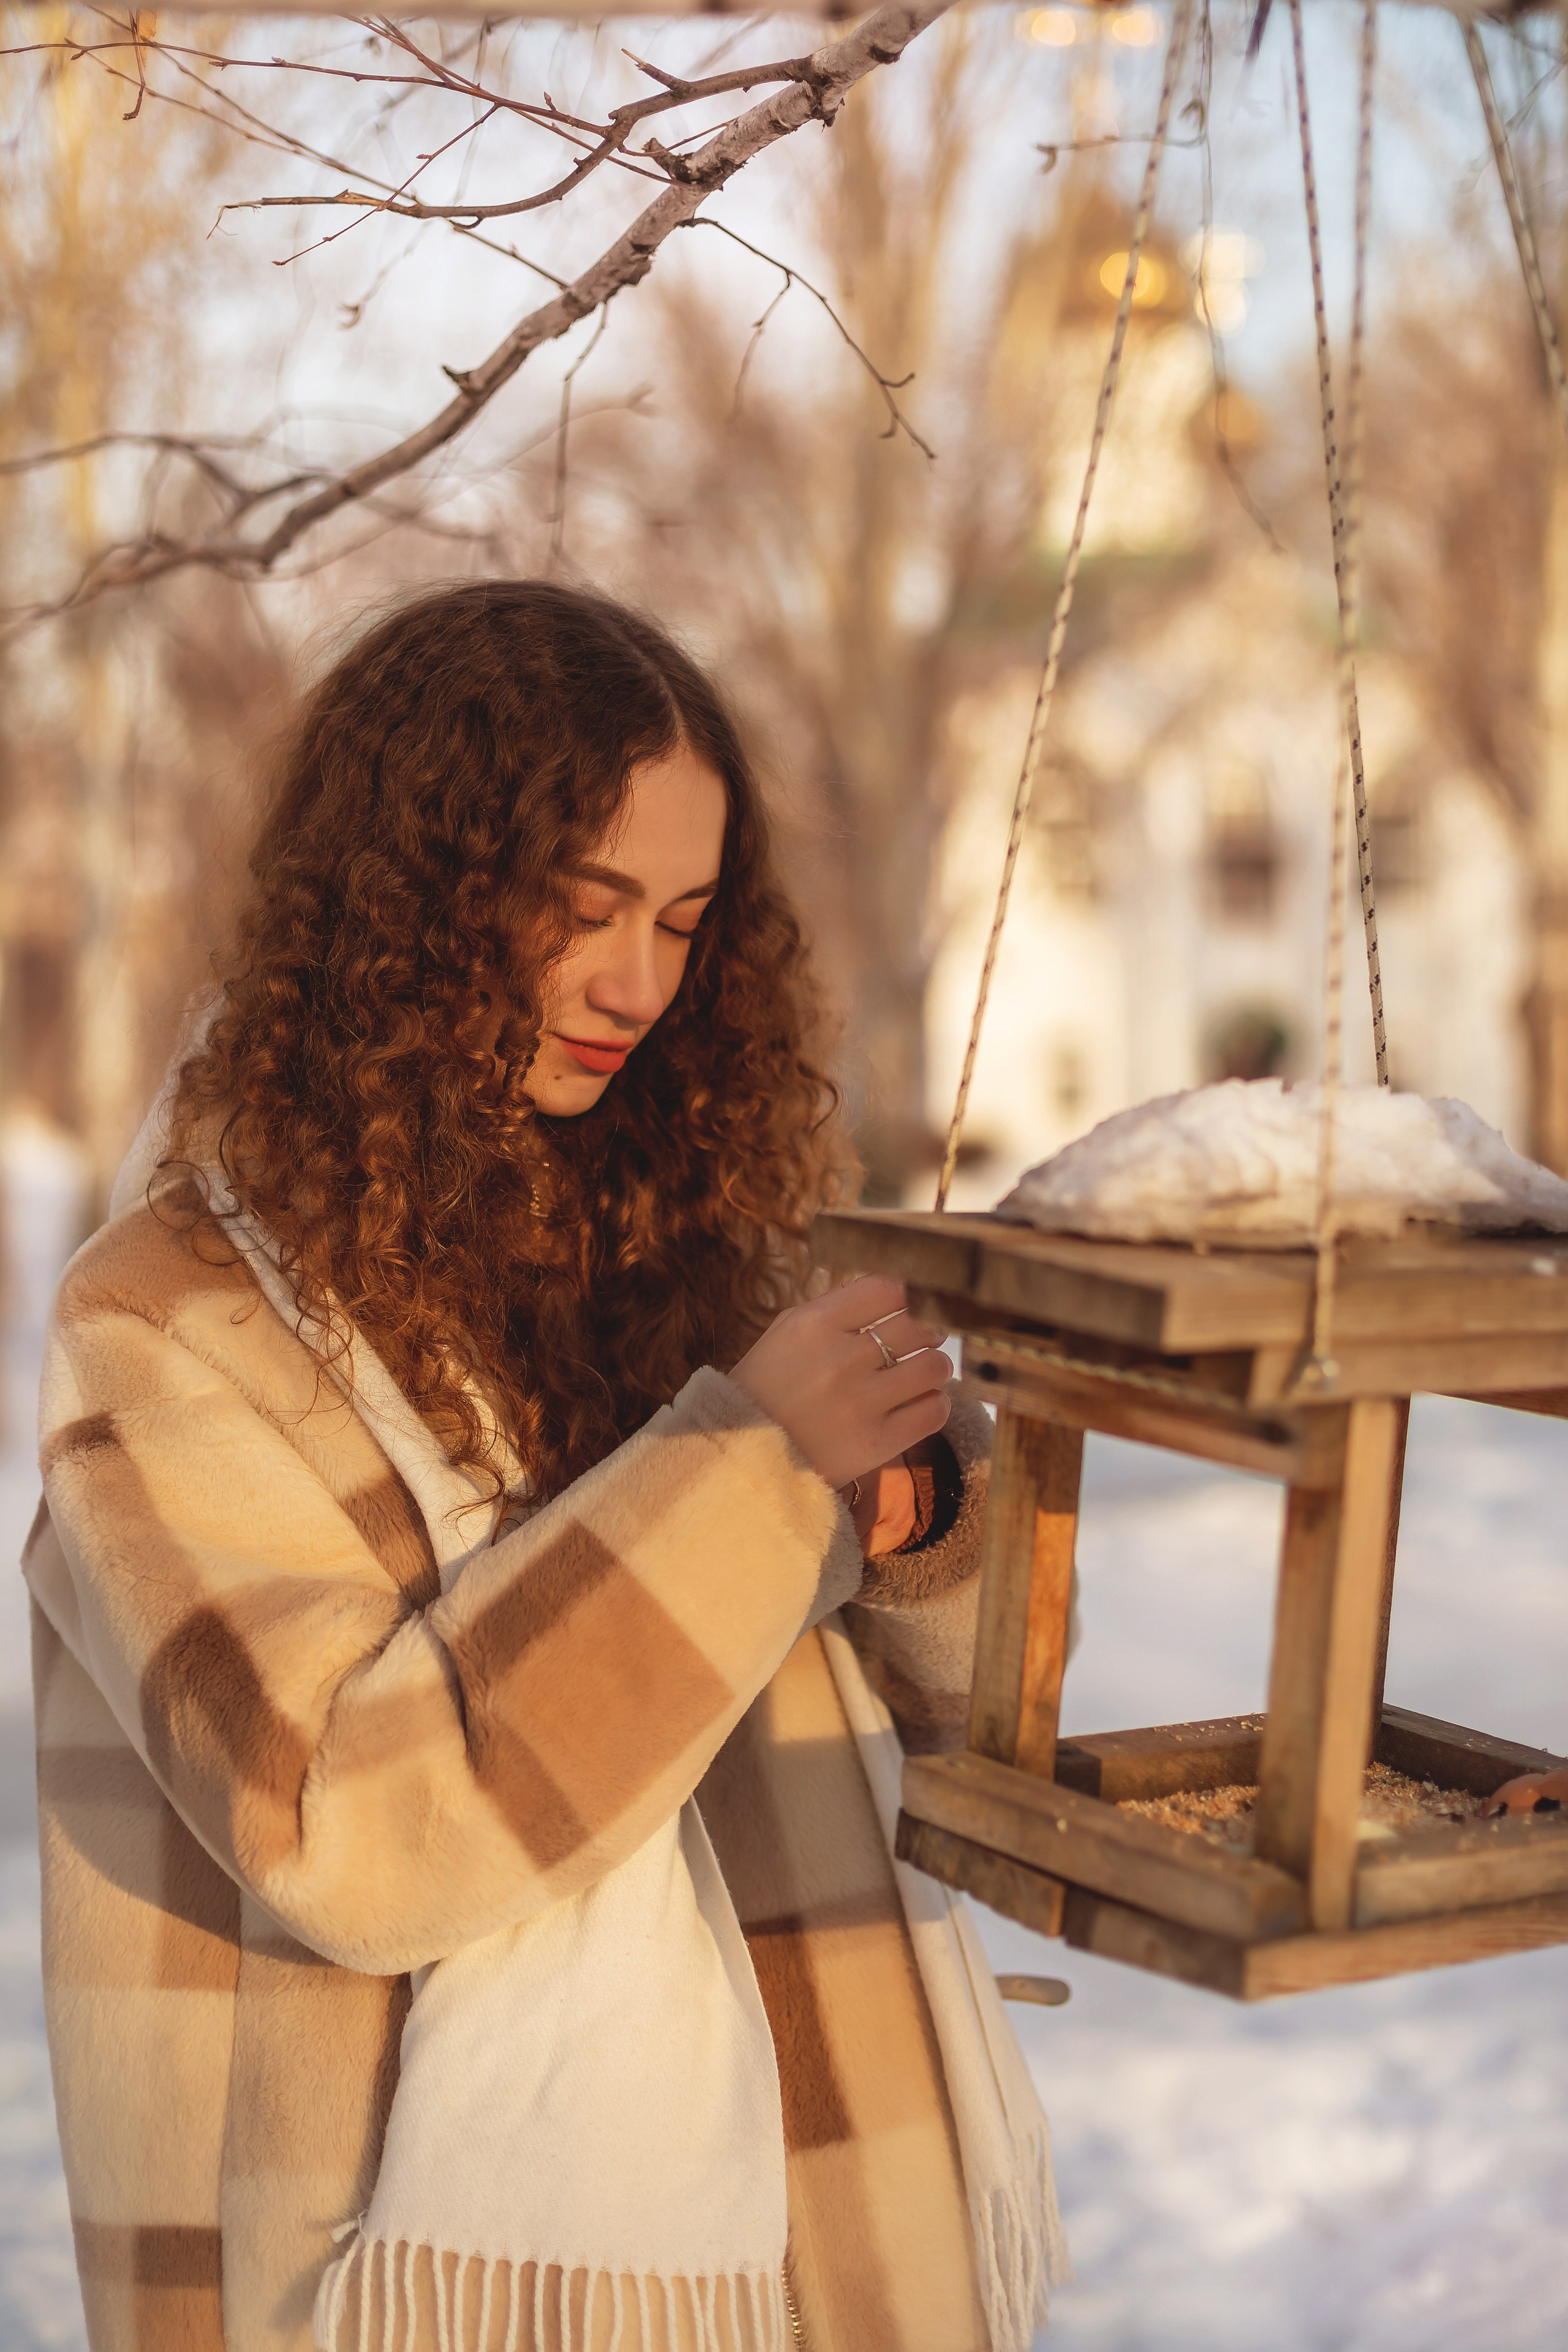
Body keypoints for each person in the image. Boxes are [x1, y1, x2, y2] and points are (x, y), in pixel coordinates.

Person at [26, 582, 1063, 2352]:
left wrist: (919, 1520)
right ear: (410, 899)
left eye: (682, 919)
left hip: (839, 2216)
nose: (641, 987)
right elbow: (345, 1835)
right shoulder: (170, 1328)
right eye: (581, 911)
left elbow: (974, 1727)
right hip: (397, 2286)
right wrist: (744, 1480)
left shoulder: (695, 1256)